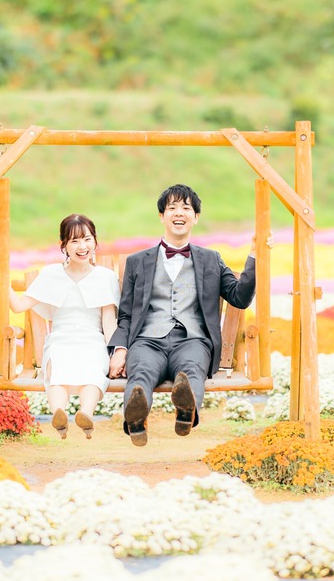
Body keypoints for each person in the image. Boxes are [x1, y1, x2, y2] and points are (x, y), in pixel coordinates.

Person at [107, 183, 260, 447]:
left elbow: (239, 297)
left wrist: (256, 256)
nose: (179, 212)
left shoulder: (211, 260)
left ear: (196, 217)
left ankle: (186, 412)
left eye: (186, 208)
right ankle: (136, 420)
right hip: (147, 340)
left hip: (192, 340)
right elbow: (126, 315)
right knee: (140, 371)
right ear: (161, 216)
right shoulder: (137, 262)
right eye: (172, 207)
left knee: (190, 371)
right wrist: (120, 349)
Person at [0, 214, 119, 439]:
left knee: (93, 368)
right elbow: (18, 305)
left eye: (87, 239)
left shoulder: (105, 277)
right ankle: (58, 414)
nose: (82, 246)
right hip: (60, 338)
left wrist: (114, 353)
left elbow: (109, 321)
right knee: (58, 368)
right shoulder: (52, 274)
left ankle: (86, 414)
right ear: (64, 246)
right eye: (74, 241)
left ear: (95, 242)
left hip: (92, 339)